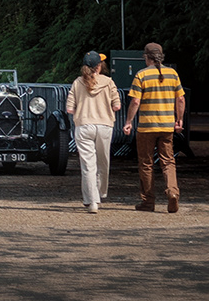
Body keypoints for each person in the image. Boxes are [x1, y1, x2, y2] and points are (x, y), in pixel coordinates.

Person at [123, 42, 185, 212]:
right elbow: (180, 99)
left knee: (146, 163)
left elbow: (135, 101)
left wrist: (128, 122)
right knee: (168, 162)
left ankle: (148, 202)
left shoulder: (141, 75)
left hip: (146, 128)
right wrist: (179, 120)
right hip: (166, 127)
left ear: (146, 57)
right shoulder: (172, 74)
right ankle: (172, 193)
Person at [68, 50, 120, 213]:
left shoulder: (77, 82)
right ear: (99, 66)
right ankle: (100, 193)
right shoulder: (109, 82)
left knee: (88, 165)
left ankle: (92, 201)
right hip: (104, 126)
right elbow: (117, 105)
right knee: (103, 162)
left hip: (84, 126)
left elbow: (70, 108)